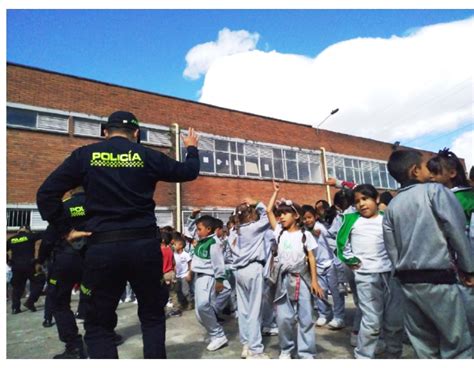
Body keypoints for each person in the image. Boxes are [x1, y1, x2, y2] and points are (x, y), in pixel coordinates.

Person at [36, 110, 200, 359]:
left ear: (105, 132)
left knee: (99, 325)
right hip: (144, 248)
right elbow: (188, 172)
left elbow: (46, 194)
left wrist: (65, 230)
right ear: (136, 133)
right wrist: (191, 148)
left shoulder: (85, 156)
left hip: (102, 249)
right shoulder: (147, 156)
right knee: (153, 317)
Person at [383, 149, 474, 358]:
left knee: (424, 347)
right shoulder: (435, 192)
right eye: (425, 167)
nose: (430, 172)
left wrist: (401, 275)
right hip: (440, 281)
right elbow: (455, 230)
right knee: (457, 344)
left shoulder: (392, 206)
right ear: (415, 171)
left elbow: (392, 248)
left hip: (408, 283)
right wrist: (469, 268)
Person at [336, 184, 404, 358]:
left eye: (365, 199)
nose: (361, 204)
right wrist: (350, 260)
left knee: (394, 321)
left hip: (390, 275)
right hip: (366, 276)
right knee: (371, 321)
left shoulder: (386, 217)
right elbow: (340, 244)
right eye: (357, 201)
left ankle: (393, 355)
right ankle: (364, 356)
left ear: (377, 199)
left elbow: (398, 240)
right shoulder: (351, 219)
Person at [267, 181, 324, 359]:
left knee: (306, 317)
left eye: (285, 213)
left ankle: (306, 353)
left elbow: (312, 258)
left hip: (303, 279)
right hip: (283, 281)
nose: (281, 217)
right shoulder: (279, 232)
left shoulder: (305, 235)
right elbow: (269, 211)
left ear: (296, 216)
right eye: (280, 214)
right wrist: (275, 192)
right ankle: (286, 349)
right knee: (284, 319)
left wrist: (314, 281)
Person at [427, 148, 474, 344]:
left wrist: (467, 266)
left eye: (435, 173)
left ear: (452, 173)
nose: (431, 178)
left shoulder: (458, 198)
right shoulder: (446, 196)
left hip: (464, 263)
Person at [232, 197, 271, 359]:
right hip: (252, 268)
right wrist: (256, 203)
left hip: (238, 271)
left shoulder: (234, 231)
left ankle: (246, 344)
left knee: (243, 310)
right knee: (255, 310)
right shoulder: (253, 228)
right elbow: (267, 215)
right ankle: (255, 350)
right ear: (249, 215)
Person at [302, 205, 345, 330]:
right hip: (317, 266)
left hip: (331, 264)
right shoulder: (303, 232)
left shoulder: (319, 227)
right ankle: (323, 314)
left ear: (315, 217)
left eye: (309, 217)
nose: (307, 220)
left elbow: (318, 232)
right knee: (320, 292)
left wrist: (309, 231)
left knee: (336, 293)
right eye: (304, 218)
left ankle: (339, 317)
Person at [190, 215, 229, 352]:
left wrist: (219, 280)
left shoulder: (214, 243)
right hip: (199, 277)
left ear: (208, 229)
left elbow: (219, 263)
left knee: (203, 306)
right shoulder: (202, 241)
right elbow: (189, 232)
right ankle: (214, 334)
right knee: (199, 313)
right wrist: (192, 217)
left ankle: (218, 335)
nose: (197, 231)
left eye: (199, 229)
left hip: (208, 276)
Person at [7, 225, 44, 314]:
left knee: (17, 288)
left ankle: (15, 308)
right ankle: (30, 301)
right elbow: (43, 235)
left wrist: (9, 261)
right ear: (28, 230)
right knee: (39, 281)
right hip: (29, 266)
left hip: (16, 267)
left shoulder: (11, 240)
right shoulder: (30, 236)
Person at [172, 232, 194, 311]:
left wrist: (189, 273)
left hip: (184, 275)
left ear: (181, 246)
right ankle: (182, 303)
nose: (173, 246)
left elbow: (190, 264)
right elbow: (174, 264)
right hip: (177, 275)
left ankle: (190, 302)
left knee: (185, 291)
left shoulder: (186, 254)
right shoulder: (174, 254)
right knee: (178, 291)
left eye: (175, 244)